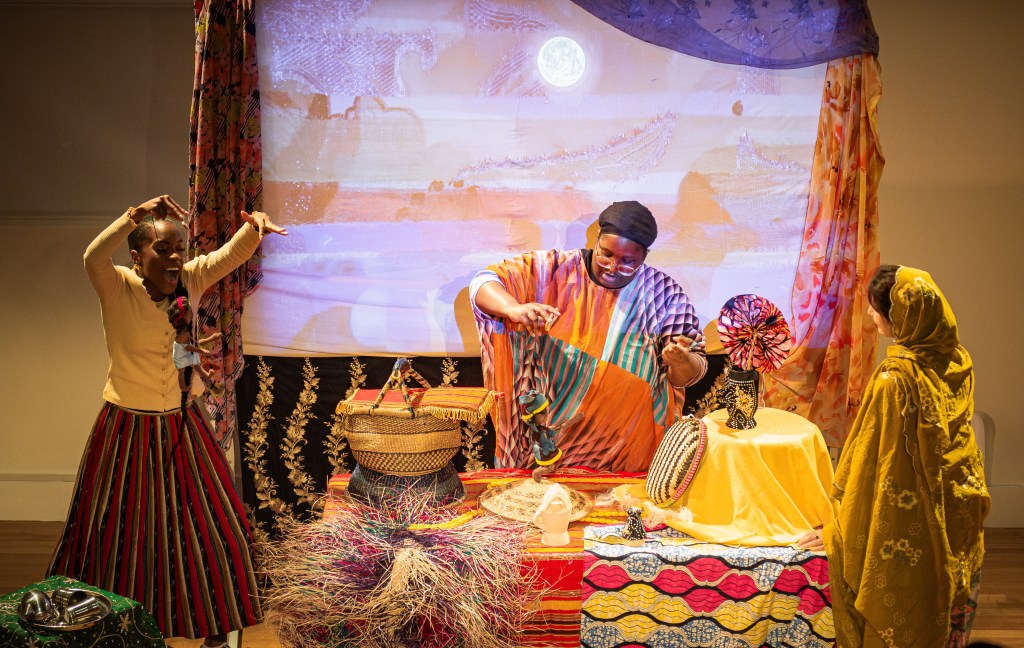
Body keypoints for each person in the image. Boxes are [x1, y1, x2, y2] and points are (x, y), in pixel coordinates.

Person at [48, 195, 287, 646]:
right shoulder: (117, 285)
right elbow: (92, 257)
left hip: (183, 423)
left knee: (214, 521)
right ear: (136, 257)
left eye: (180, 248)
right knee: (116, 530)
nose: (176, 257)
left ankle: (215, 618)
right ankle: (109, 624)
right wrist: (131, 217)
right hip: (126, 428)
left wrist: (254, 227)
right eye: (163, 249)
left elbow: (227, 256)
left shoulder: (190, 280)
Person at [796, 265, 989, 647]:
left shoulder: (895, 380)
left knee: (905, 608)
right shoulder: (957, 360)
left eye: (876, 308)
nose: (870, 314)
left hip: (911, 522)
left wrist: (841, 529)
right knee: (950, 603)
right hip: (959, 510)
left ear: (900, 317)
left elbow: (872, 463)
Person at [471, 200, 706, 472]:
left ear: (644, 256)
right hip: (553, 440)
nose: (613, 266)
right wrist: (513, 308)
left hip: (627, 446)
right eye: (606, 254)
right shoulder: (555, 268)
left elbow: (691, 373)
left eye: (627, 261)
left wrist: (680, 361)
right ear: (597, 239)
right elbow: (483, 283)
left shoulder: (664, 294)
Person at [167, 294, 221, 393]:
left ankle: (206, 375)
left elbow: (195, 343)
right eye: (189, 313)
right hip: (180, 357)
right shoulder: (181, 336)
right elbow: (189, 347)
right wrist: (201, 350)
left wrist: (211, 338)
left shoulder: (185, 333)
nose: (192, 314)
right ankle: (184, 387)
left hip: (185, 353)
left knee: (195, 363)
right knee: (182, 372)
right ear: (183, 317)